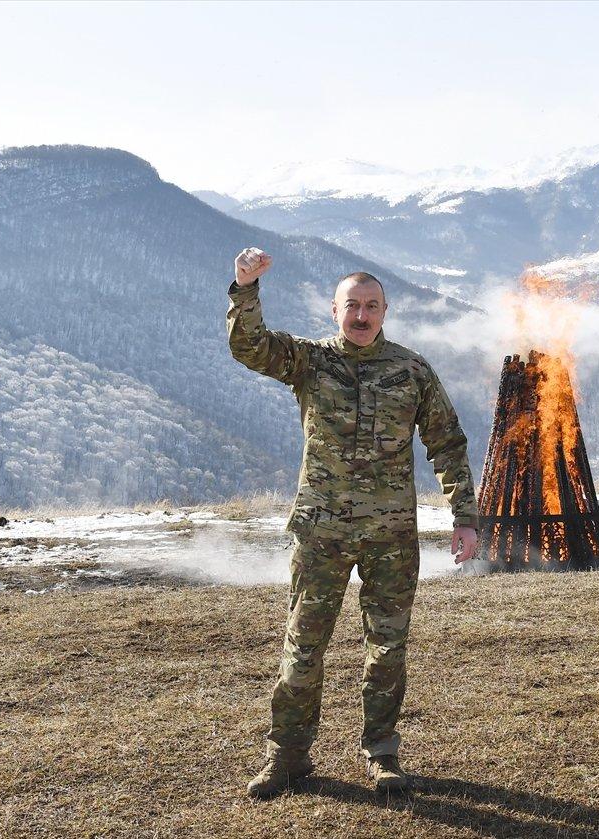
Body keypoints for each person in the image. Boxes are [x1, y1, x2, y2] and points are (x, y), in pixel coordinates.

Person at [226, 246, 479, 798]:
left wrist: (464, 517)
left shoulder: (411, 371)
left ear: (384, 312)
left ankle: (383, 754)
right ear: (334, 310)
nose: (361, 316)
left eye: (371, 306)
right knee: (303, 646)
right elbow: (250, 347)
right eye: (352, 306)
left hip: (391, 536)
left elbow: (448, 443)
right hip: (322, 532)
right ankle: (287, 758)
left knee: (387, 648)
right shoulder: (310, 361)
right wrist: (245, 286)